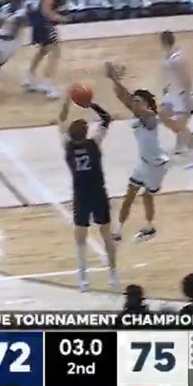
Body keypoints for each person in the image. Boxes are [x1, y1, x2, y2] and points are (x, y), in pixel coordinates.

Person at [104, 61, 183, 243]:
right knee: (130, 193)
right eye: (135, 101)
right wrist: (114, 79)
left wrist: (121, 87)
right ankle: (118, 230)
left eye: (139, 101)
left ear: (147, 104)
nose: (134, 103)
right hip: (143, 162)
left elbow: (130, 101)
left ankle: (149, 228)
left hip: (157, 165)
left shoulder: (150, 118)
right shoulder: (140, 114)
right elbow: (123, 97)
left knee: (147, 196)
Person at [58, 93, 117, 291]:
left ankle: (83, 278)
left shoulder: (67, 147)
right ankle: (113, 274)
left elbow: (61, 121)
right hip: (98, 193)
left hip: (81, 195)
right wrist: (90, 103)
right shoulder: (94, 143)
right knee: (106, 234)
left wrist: (67, 102)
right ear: (86, 132)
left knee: (80, 238)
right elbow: (107, 118)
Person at [158, 31, 193, 168]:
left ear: (164, 42)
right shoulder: (169, 55)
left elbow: (186, 80)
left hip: (182, 95)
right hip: (172, 94)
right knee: (163, 115)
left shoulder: (177, 59)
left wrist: (188, 100)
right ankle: (180, 145)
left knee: (181, 126)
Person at [23, 0, 66, 98]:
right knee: (55, 51)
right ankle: (48, 85)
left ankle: (29, 78)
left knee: (43, 50)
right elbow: (46, 11)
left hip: (38, 21)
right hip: (44, 22)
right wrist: (58, 18)